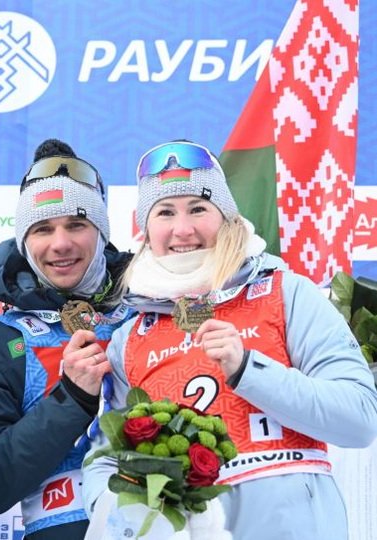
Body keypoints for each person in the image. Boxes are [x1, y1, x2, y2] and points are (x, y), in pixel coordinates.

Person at [81, 140, 377, 539]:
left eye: (198, 208)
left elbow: (359, 420)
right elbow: (106, 456)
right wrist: (113, 509)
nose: (182, 229)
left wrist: (248, 370)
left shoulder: (287, 294)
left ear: (227, 218)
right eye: (165, 212)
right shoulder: (130, 336)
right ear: (146, 229)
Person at [0, 139, 134, 539]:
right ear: (24, 242)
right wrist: (71, 399)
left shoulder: (150, 311)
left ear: (101, 232)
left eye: (76, 225)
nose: (60, 244)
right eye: (43, 229)